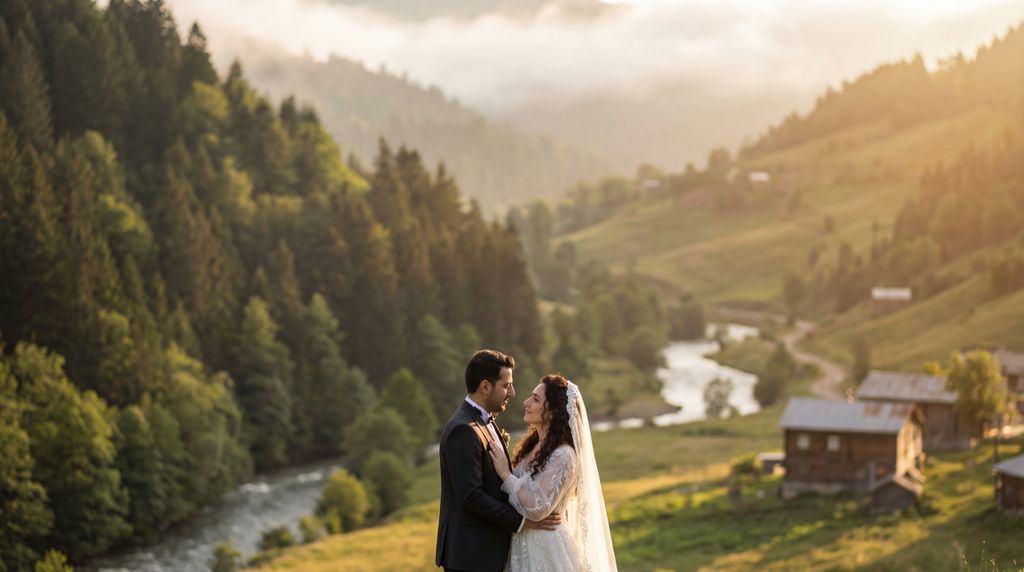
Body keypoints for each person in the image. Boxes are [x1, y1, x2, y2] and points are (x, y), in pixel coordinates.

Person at [436, 350, 562, 572]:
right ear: (485, 387)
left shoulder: (484, 421)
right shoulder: (462, 430)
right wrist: (524, 523)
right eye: (506, 385)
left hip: (486, 554)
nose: (512, 393)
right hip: (470, 557)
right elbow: (471, 497)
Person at [487, 374, 617, 571]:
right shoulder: (531, 446)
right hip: (523, 545)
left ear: (554, 412)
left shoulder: (564, 455)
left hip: (547, 549)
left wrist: (506, 475)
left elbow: (538, 508)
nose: (526, 402)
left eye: (536, 399)